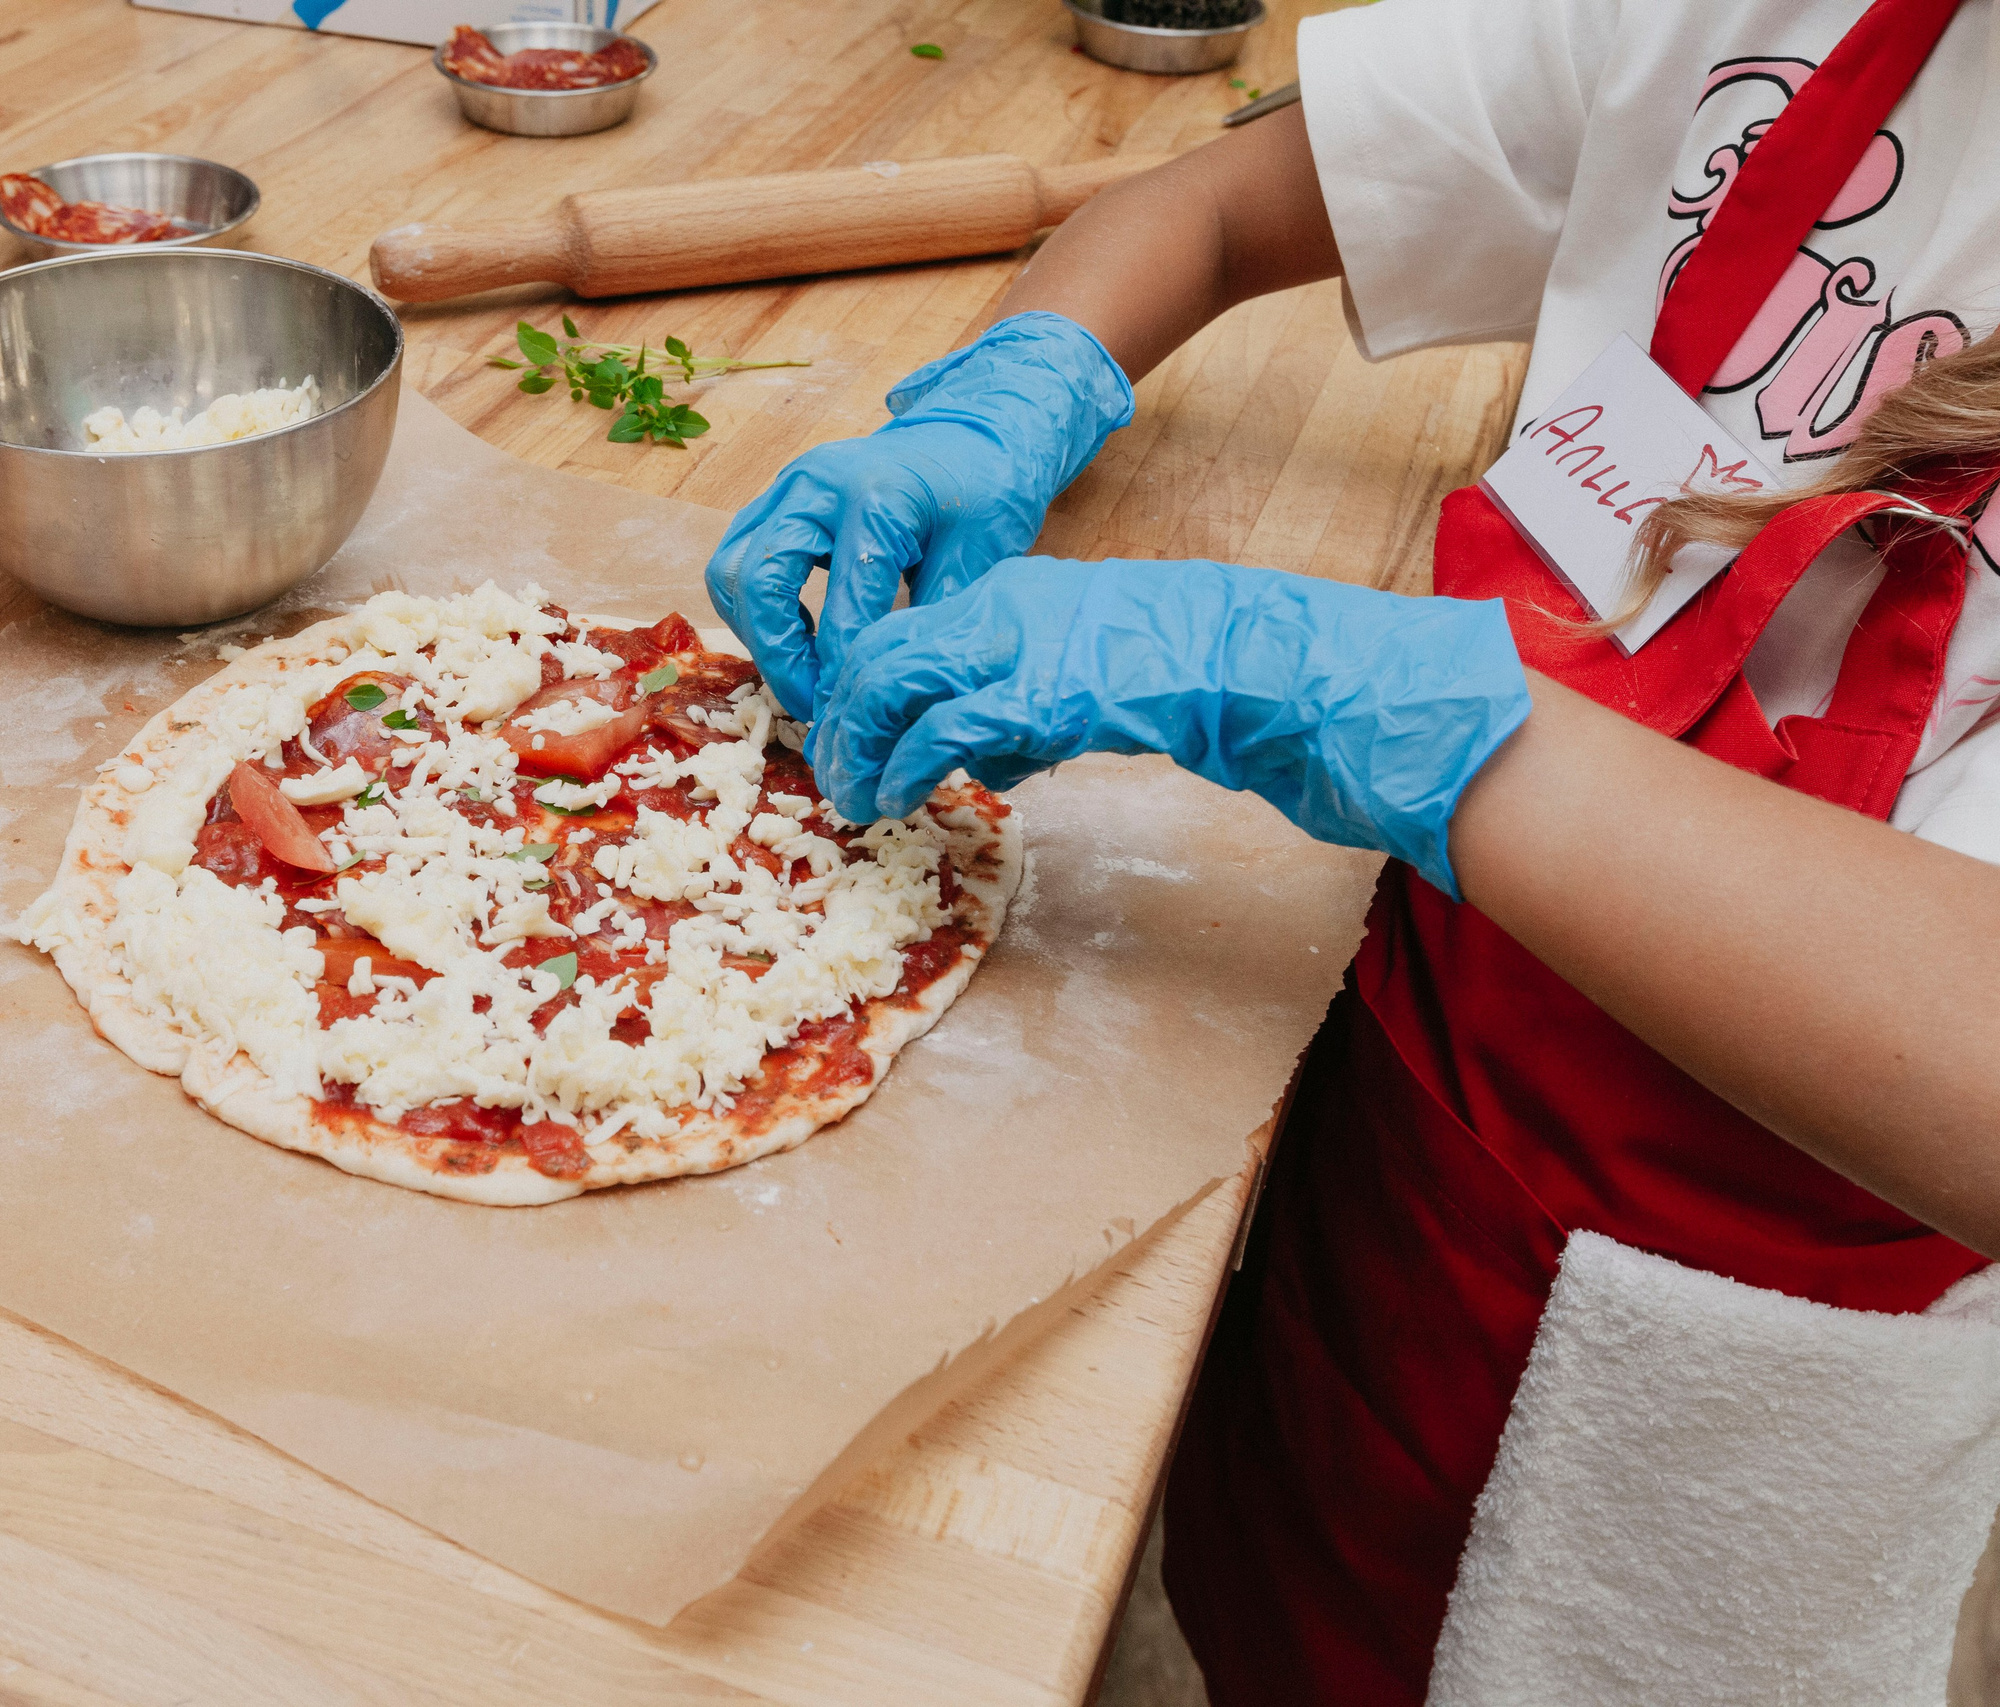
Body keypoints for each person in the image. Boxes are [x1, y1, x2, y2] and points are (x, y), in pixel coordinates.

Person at [701, 0, 2000, 1699]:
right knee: (1249, 1590)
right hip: (1398, 1101)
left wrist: (1342, 688)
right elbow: (1225, 204)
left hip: (1718, 1385)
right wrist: (1021, 386)